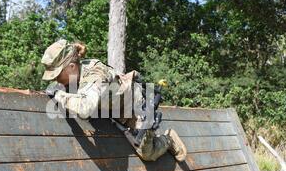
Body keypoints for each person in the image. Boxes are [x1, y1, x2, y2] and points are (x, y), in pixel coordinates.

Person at [41, 39, 187, 162]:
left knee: (147, 153)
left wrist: (58, 94)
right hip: (114, 108)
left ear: (71, 67)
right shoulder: (76, 72)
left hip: (134, 107)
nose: (55, 79)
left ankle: (168, 139)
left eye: (57, 74)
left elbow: (85, 108)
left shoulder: (95, 76)